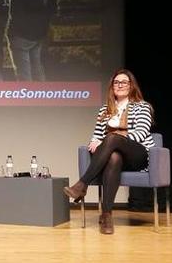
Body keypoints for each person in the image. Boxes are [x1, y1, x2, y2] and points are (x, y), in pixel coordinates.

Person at [63, 69, 155, 234]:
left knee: (112, 138)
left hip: (137, 154)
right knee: (113, 157)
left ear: (131, 86)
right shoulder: (105, 110)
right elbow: (97, 136)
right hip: (116, 155)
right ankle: (106, 216)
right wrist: (94, 141)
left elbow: (141, 133)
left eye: (124, 82)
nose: (119, 85)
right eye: (116, 82)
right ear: (112, 86)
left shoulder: (143, 107)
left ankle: (82, 184)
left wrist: (113, 138)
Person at [8, 0, 48, 81]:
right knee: (37, 69)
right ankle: (42, 97)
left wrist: (10, 33)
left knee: (23, 74)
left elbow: (13, 13)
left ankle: (26, 98)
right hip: (36, 35)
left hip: (20, 36)